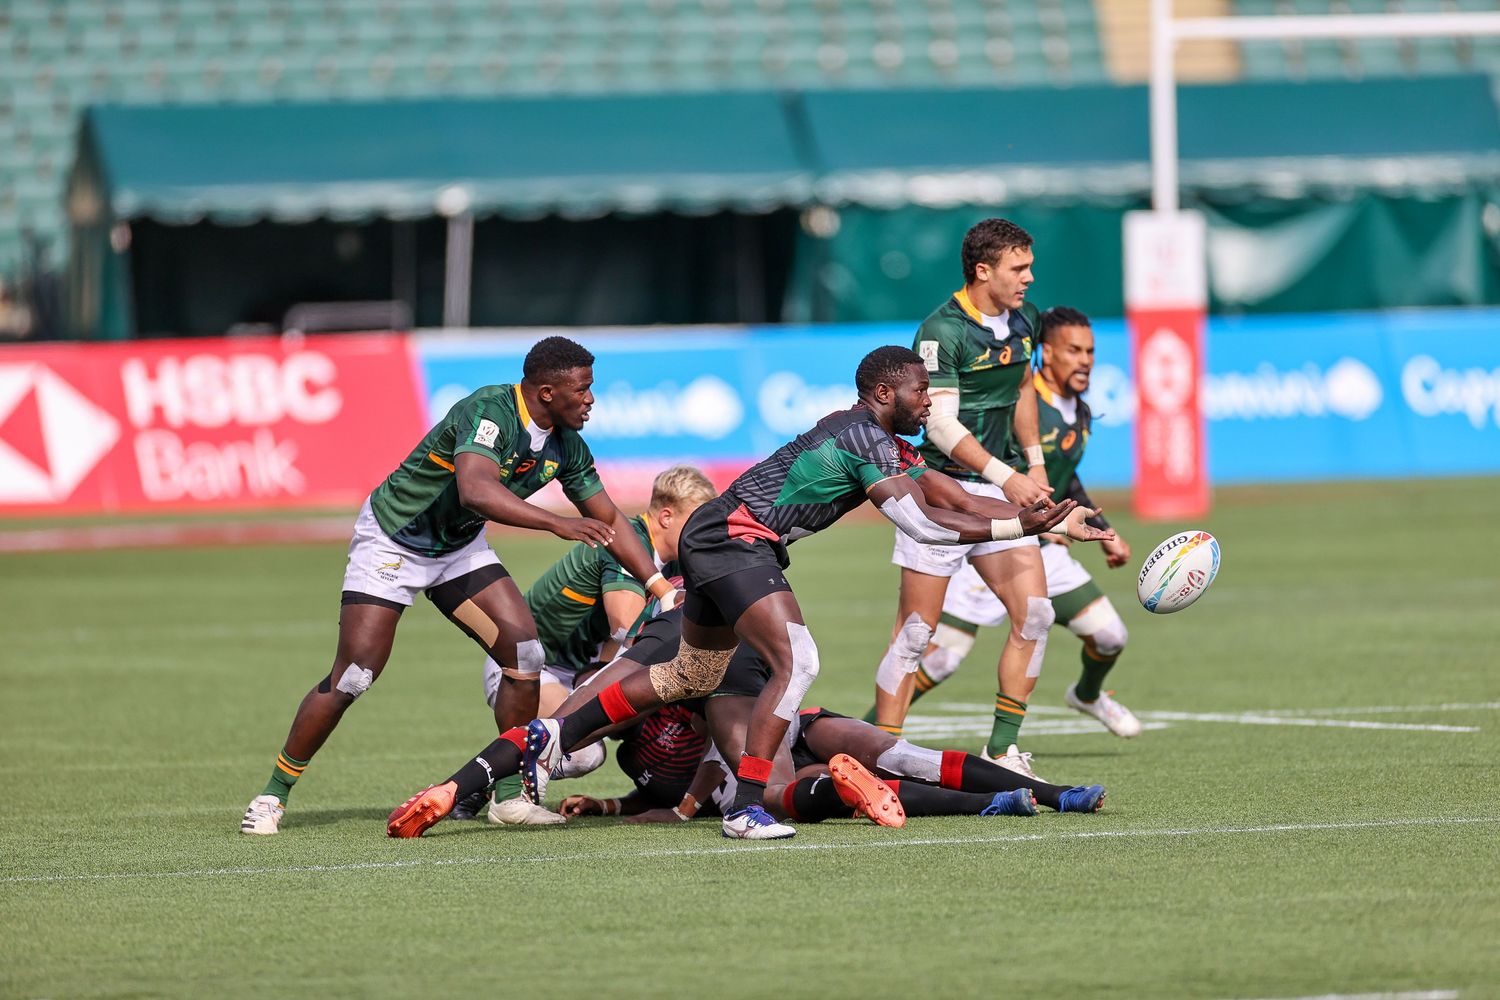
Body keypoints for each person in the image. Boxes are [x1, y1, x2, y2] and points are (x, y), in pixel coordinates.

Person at [387, 345, 1111, 840]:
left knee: (686, 675)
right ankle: (746, 809)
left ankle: (544, 742)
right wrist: (1020, 522)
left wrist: (1041, 518)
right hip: (733, 541)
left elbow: (953, 496)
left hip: (714, 542)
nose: (931, 401)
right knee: (797, 656)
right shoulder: (862, 438)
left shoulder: (885, 440)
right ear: (885, 392)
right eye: (922, 391)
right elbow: (925, 524)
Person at [240, 336, 675, 835]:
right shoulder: (490, 409)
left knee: (525, 654)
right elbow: (475, 490)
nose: (592, 399)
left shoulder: (567, 446)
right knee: (355, 674)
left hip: (456, 550)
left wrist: (660, 587)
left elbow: (611, 520)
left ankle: (509, 797)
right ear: (548, 392)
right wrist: (555, 523)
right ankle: (274, 794)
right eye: (584, 389)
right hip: (394, 539)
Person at [557, 608, 1106, 827]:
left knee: (808, 788)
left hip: (759, 741)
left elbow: (703, 759)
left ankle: (1018, 797)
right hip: (783, 724)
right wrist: (607, 804)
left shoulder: (664, 694)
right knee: (889, 763)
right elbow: (646, 797)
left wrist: (684, 810)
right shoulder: (634, 756)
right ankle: (1046, 795)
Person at [896, 308, 1141, 738]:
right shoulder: (1022, 408)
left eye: (1090, 351)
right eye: (1073, 350)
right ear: (1044, 352)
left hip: (1047, 544)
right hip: (1001, 534)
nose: (1085, 360)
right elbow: (995, 467)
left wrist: (1105, 532)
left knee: (1110, 636)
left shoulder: (1076, 410)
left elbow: (1065, 478)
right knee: (942, 657)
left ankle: (1085, 697)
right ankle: (863, 735)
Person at [871, 218, 1059, 780]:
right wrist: (1008, 478)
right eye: (1018, 268)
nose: (1029, 277)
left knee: (1037, 614)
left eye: (1029, 266)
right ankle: (881, 759)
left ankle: (1003, 750)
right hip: (938, 492)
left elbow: (1024, 387)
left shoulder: (1026, 319)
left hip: (1000, 486)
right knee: (914, 634)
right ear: (983, 271)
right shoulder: (940, 332)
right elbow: (940, 427)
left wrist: (1036, 464)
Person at [463, 465, 715, 825]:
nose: (702, 532)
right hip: (529, 670)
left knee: (616, 715)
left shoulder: (671, 558)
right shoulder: (628, 541)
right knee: (585, 754)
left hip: (576, 671)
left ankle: (489, 780)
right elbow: (625, 627)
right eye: (697, 520)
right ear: (666, 516)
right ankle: (484, 783)